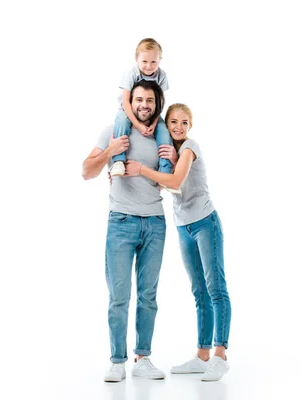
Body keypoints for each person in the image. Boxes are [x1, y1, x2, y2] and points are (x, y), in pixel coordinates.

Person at [124, 103, 232, 381]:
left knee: (216, 288)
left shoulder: (189, 147)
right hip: (183, 226)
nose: (179, 127)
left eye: (184, 122)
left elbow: (173, 181)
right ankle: (202, 355)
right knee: (199, 292)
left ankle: (220, 355)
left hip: (206, 223)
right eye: (173, 122)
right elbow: (165, 182)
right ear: (166, 124)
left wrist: (141, 170)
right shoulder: (170, 151)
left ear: (190, 126)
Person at [82, 79, 168, 382]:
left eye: (150, 101)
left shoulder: (161, 135)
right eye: (139, 100)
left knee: (149, 296)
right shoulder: (114, 131)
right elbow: (86, 171)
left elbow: (171, 178)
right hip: (121, 222)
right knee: (119, 296)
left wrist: (160, 164)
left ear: (157, 104)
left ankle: (143, 358)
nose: (144, 105)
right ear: (130, 103)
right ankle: (117, 361)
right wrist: (110, 152)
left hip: (155, 223)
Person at [109, 38, 177, 193]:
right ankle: (118, 160)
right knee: (120, 121)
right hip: (128, 110)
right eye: (144, 61)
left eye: (154, 62)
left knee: (164, 133)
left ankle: (165, 171)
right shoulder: (131, 74)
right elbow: (126, 102)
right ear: (136, 59)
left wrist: (153, 123)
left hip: (151, 111)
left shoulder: (162, 76)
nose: (149, 66)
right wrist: (139, 125)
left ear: (160, 60)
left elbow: (159, 102)